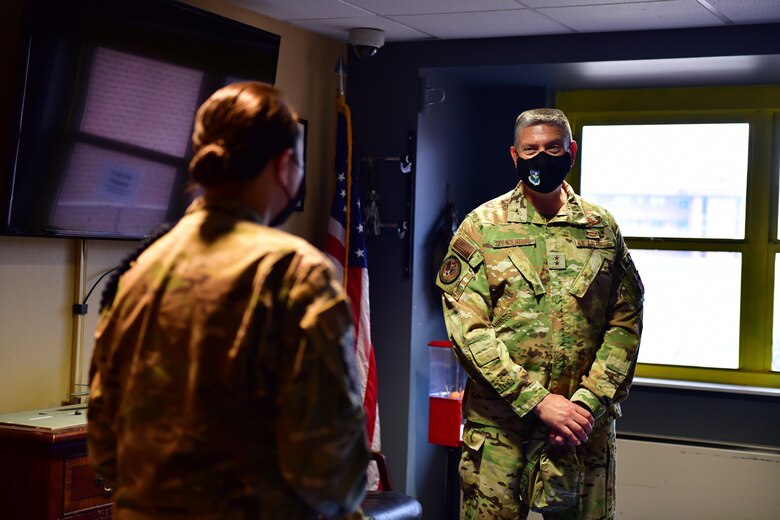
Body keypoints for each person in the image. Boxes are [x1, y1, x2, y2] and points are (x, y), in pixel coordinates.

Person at [87, 82, 369, 519]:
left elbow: (105, 449)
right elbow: (333, 471)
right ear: (285, 165)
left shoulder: (138, 271)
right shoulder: (293, 273)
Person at [436, 108, 643, 519]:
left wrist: (586, 404)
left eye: (553, 147)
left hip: (582, 431)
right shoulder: (481, 228)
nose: (541, 158)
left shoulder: (601, 228)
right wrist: (537, 401)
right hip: (500, 431)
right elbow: (469, 330)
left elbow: (626, 321)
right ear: (514, 156)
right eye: (531, 150)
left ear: (572, 151)